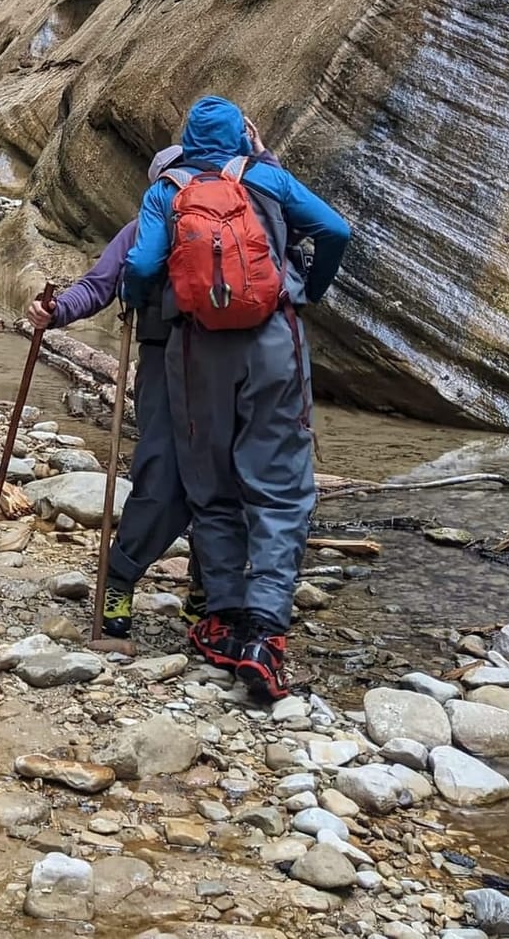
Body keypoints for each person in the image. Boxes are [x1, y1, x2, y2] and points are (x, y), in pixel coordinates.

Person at [121, 96, 349, 702]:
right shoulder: (266, 178)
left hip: (196, 350)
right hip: (274, 339)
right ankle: (266, 634)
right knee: (280, 485)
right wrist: (309, 289)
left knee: (210, 479)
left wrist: (138, 298)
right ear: (241, 137)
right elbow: (335, 230)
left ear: (188, 139)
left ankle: (219, 618)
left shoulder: (167, 189)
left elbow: (141, 262)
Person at [27, 145, 206, 651]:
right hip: (235, 372)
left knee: (159, 478)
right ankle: (205, 599)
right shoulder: (244, 216)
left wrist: (55, 311)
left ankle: (119, 586)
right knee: (220, 484)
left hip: (164, 366)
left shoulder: (144, 226)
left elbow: (99, 285)